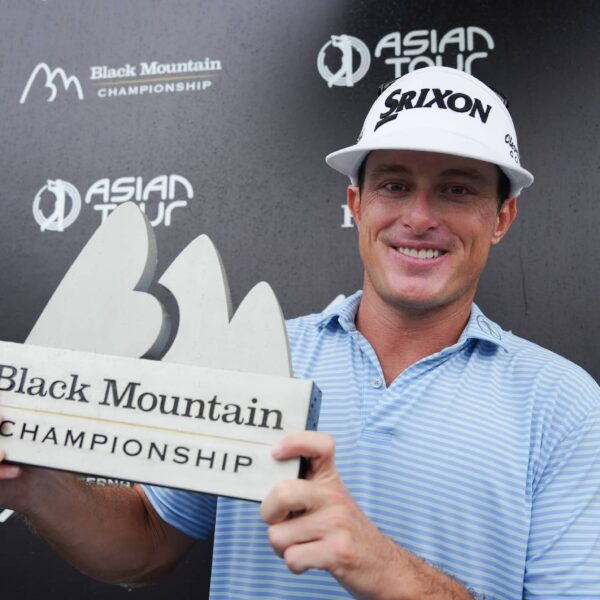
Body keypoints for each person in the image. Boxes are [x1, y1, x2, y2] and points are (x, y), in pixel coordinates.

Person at [1, 66, 599, 599]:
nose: (420, 216)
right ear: (356, 203)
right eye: (394, 185)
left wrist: (378, 564)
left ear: (500, 217)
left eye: (458, 188)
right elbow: (147, 544)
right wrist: (34, 484)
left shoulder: (563, 406)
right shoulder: (259, 357)